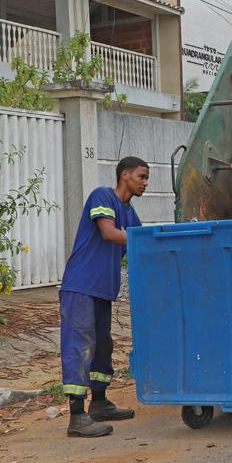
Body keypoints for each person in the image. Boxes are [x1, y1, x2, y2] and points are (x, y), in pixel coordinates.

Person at [60, 156, 148, 438]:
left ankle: (99, 403)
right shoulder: (102, 196)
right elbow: (110, 234)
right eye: (141, 177)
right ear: (125, 175)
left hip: (101, 290)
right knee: (80, 346)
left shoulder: (130, 213)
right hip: (82, 286)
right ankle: (76, 416)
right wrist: (148, 239)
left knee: (101, 347)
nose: (145, 183)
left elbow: (138, 244)